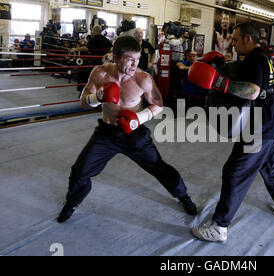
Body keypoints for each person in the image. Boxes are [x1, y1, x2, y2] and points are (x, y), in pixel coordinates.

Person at [57, 36, 197, 223]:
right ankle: (72, 203)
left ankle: (183, 196)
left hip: (134, 133)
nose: (134, 64)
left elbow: (159, 105)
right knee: (80, 171)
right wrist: (97, 96)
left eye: (137, 59)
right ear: (116, 58)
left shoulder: (143, 79)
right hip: (107, 133)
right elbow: (83, 102)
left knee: (159, 167)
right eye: (129, 59)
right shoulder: (99, 73)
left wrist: (139, 118)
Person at [188, 22, 274, 243]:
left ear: (248, 38)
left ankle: (219, 226)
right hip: (272, 124)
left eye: (236, 39)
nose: (234, 44)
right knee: (270, 167)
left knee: (235, 172)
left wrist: (219, 82)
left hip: (260, 128)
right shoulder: (264, 58)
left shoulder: (256, 59)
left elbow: (252, 91)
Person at [71, 25, 113, 93]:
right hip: (104, 61)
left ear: (95, 31)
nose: (91, 31)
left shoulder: (95, 38)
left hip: (95, 61)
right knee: (101, 77)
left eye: (92, 29)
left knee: (92, 77)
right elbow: (111, 48)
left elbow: (87, 48)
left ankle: (90, 92)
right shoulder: (105, 38)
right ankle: (99, 91)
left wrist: (75, 49)